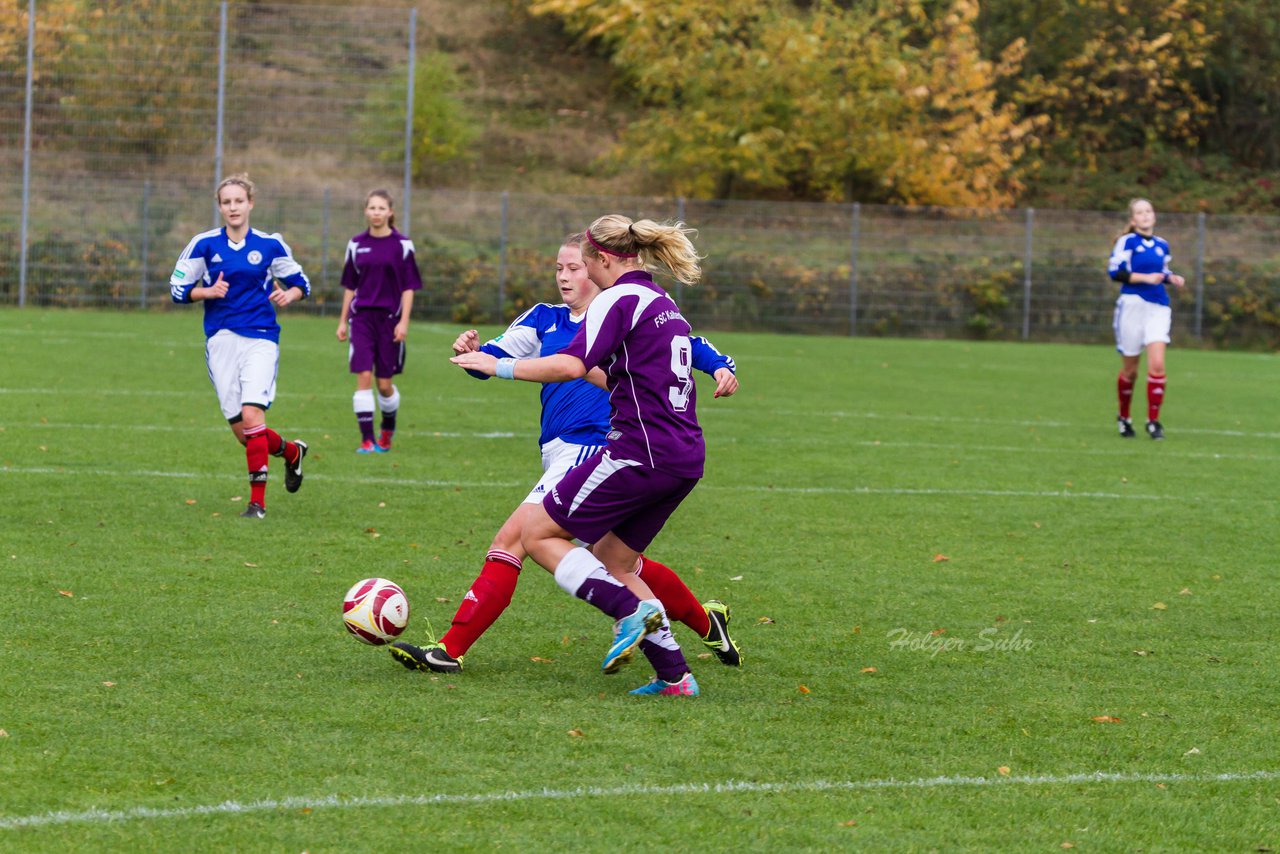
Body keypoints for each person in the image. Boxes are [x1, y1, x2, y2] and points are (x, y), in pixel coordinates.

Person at [390, 233, 741, 683]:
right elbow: (495, 356)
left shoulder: (618, 311)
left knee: (516, 538)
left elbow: (684, 341)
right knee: (618, 559)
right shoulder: (545, 319)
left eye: (574, 267)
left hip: (602, 448)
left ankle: (451, 649)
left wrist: (719, 365)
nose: (564, 276)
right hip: (586, 452)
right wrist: (473, 352)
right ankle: (695, 637)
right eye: (558, 268)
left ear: (597, 267)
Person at [169, 173, 310, 519]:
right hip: (220, 339)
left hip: (261, 336)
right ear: (219, 207)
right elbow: (176, 289)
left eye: (239, 201)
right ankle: (292, 452)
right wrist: (207, 292)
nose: (233, 207)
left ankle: (257, 504)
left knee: (252, 415)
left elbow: (300, 282)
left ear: (250, 204)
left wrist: (288, 294)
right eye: (226, 202)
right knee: (245, 434)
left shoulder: (269, 245)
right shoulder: (203, 244)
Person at [336, 189, 423, 453]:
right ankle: (366, 439)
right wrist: (342, 321)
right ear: (366, 211)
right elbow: (350, 286)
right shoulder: (355, 244)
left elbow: (409, 287)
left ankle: (387, 428)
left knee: (384, 385)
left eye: (381, 208)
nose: (376, 212)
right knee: (363, 376)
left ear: (390, 212)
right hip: (361, 319)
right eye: (372, 208)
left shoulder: (402, 245)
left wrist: (404, 322)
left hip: (389, 321)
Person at [1107, 198, 1186, 440]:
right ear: (1133, 220)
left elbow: (1162, 272)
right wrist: (1146, 277)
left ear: (1154, 216)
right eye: (1140, 212)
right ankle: (1124, 417)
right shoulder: (1127, 241)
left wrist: (1171, 278)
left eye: (1148, 211)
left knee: (1158, 365)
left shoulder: (1163, 245)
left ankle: (1153, 422)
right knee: (1130, 371)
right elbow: (1115, 272)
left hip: (1158, 308)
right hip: (1132, 306)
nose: (1145, 215)